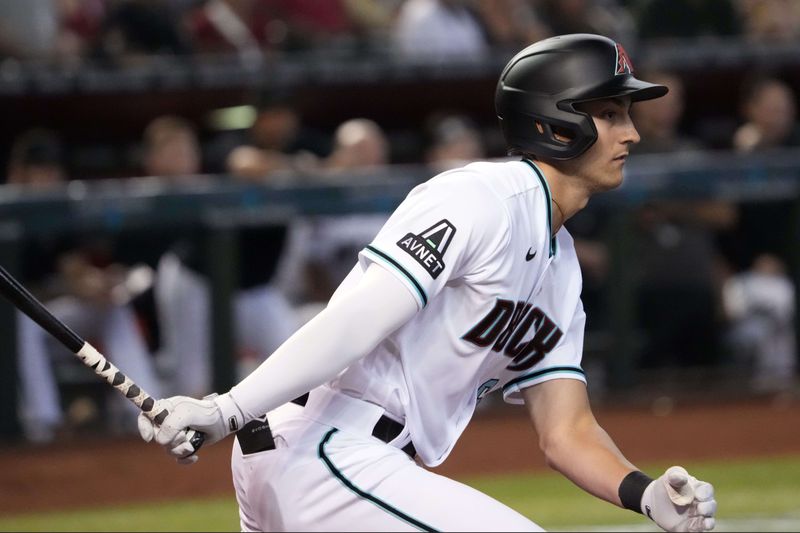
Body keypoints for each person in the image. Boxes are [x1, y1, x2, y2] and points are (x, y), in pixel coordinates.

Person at [139, 34, 717, 532]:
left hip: (347, 461)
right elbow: (355, 321)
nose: (632, 134)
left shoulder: (561, 269)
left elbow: (565, 431)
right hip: (325, 446)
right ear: (555, 121)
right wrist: (228, 407)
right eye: (611, 113)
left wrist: (644, 494)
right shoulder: (481, 198)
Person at [7, 129, 162, 442]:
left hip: (47, 322)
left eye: (54, 170)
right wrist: (69, 287)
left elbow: (72, 268)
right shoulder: (7, 211)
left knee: (112, 309)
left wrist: (96, 284)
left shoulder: (54, 210)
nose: (50, 178)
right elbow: (17, 295)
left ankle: (147, 409)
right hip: (12, 333)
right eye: (42, 171)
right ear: (18, 174)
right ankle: (44, 423)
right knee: (20, 319)